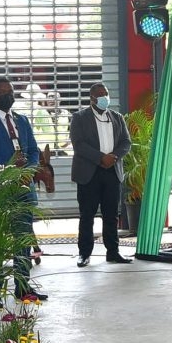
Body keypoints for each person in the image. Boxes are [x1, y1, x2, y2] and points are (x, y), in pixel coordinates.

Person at [0, 78, 47, 301]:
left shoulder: (22, 120)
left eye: (11, 92)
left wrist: (29, 171)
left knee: (23, 240)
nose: (8, 96)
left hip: (24, 188)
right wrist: (10, 167)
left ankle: (23, 287)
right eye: (3, 92)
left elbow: (34, 151)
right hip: (0, 189)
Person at [69, 82, 131, 268]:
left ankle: (113, 252)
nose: (105, 98)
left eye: (106, 93)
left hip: (112, 171)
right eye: (100, 95)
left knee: (111, 215)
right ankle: (84, 254)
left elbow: (126, 142)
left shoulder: (117, 117)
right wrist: (100, 158)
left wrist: (114, 157)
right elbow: (78, 144)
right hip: (89, 172)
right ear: (92, 98)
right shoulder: (79, 117)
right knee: (87, 215)